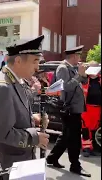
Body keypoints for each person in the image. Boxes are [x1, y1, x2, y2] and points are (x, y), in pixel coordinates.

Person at [0, 35, 50, 180]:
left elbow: (11, 115)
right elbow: (1, 133)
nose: (37, 67)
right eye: (35, 61)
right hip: (8, 168)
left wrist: (33, 119)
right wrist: (35, 138)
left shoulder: (15, 81)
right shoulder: (3, 87)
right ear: (19, 60)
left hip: (18, 165)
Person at [46, 45, 91, 177]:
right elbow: (65, 87)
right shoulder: (63, 68)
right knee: (74, 138)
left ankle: (52, 158)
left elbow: (82, 82)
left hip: (74, 108)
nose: (80, 58)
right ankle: (75, 165)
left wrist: (83, 74)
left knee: (66, 135)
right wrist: (78, 75)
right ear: (73, 56)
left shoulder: (72, 68)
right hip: (69, 108)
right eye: (79, 56)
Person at [81, 60, 101, 157]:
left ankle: (92, 147)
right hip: (86, 108)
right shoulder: (85, 80)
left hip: (97, 108)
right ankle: (86, 148)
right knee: (86, 128)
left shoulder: (100, 80)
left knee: (94, 128)